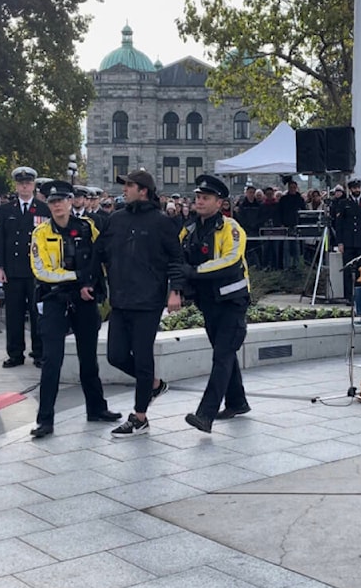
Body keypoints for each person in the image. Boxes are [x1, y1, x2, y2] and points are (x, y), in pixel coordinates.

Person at [27, 181, 121, 438]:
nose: (58, 205)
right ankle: (45, 419)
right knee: (52, 361)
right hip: (54, 299)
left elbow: (98, 259)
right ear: (49, 205)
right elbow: (42, 271)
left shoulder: (87, 228)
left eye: (62, 201)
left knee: (89, 358)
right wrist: (77, 278)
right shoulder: (40, 233)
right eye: (53, 202)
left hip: (85, 299)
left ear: (71, 202)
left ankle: (97, 408)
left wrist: (88, 283)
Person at [99, 169, 184, 437]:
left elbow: (176, 260)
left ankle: (139, 416)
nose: (124, 189)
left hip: (148, 301)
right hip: (121, 300)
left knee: (143, 357)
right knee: (115, 355)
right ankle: (155, 384)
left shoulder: (161, 222)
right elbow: (101, 253)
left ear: (143, 190)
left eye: (129, 185)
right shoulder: (116, 219)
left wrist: (175, 291)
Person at [178, 175, 252, 433]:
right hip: (208, 302)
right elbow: (178, 258)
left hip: (232, 301)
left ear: (220, 202)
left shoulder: (231, 228)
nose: (199, 201)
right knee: (225, 353)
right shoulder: (189, 229)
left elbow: (230, 260)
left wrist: (194, 272)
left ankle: (205, 415)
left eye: (205, 198)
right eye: (198, 197)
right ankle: (238, 402)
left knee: (221, 356)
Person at [0, 166, 51, 368]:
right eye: (21, 183)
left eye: (28, 183)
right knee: (14, 315)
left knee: (37, 314)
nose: (24, 187)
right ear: (16, 186)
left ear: (34, 186)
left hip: (36, 270)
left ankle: (39, 352)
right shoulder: (6, 209)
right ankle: (15, 353)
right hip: (13, 270)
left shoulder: (44, 209)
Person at [333, 178, 361, 303]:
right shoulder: (344, 203)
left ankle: (359, 296)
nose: (357, 190)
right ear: (350, 189)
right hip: (348, 242)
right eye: (354, 188)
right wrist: (340, 242)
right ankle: (348, 297)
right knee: (347, 270)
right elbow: (339, 225)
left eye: (358, 188)